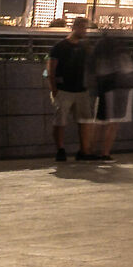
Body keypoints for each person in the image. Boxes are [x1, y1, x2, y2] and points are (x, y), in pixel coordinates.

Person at [46, 17, 92, 161]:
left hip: (81, 89)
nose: (85, 31)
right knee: (61, 121)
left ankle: (84, 151)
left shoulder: (84, 47)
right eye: (83, 28)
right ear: (75, 27)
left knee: (84, 121)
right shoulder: (60, 46)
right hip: (64, 89)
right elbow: (51, 69)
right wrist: (54, 89)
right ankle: (60, 149)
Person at [89, 25, 133, 160]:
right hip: (119, 86)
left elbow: (93, 66)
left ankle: (91, 150)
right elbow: (129, 65)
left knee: (100, 121)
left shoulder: (99, 45)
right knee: (114, 122)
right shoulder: (120, 45)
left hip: (103, 86)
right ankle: (105, 152)